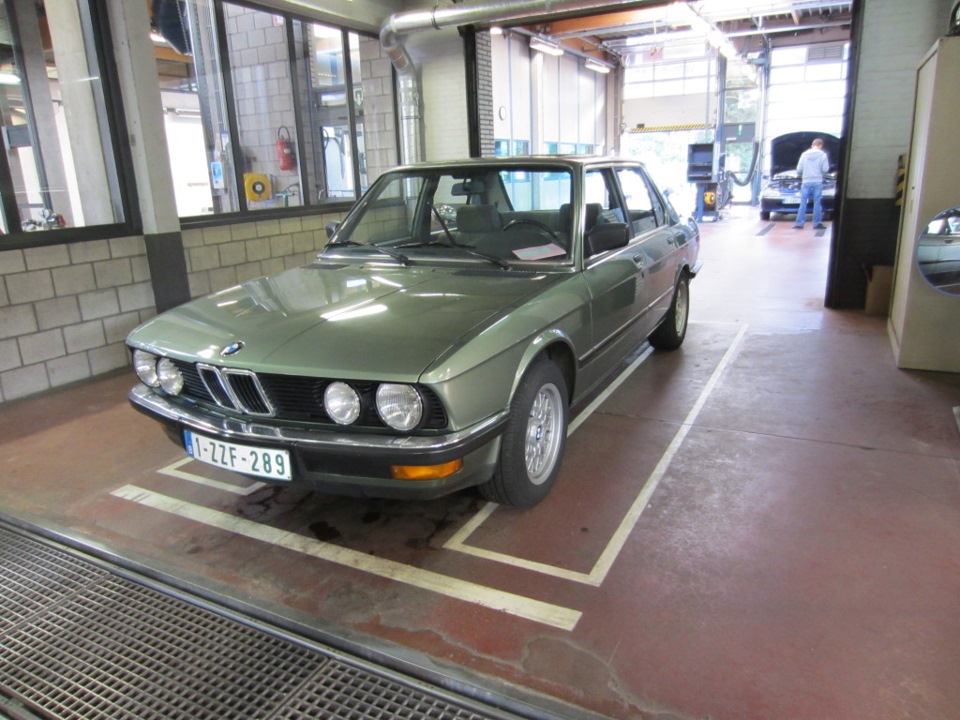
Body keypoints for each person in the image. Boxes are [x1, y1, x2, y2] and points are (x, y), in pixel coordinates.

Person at [793, 138, 830, 230]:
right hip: (817, 181)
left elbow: (799, 169)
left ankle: (799, 223)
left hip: (806, 181)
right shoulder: (823, 155)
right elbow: (825, 169)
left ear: (812, 145)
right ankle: (817, 223)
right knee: (817, 202)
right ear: (821, 145)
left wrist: (802, 175)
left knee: (803, 202)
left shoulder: (804, 155)